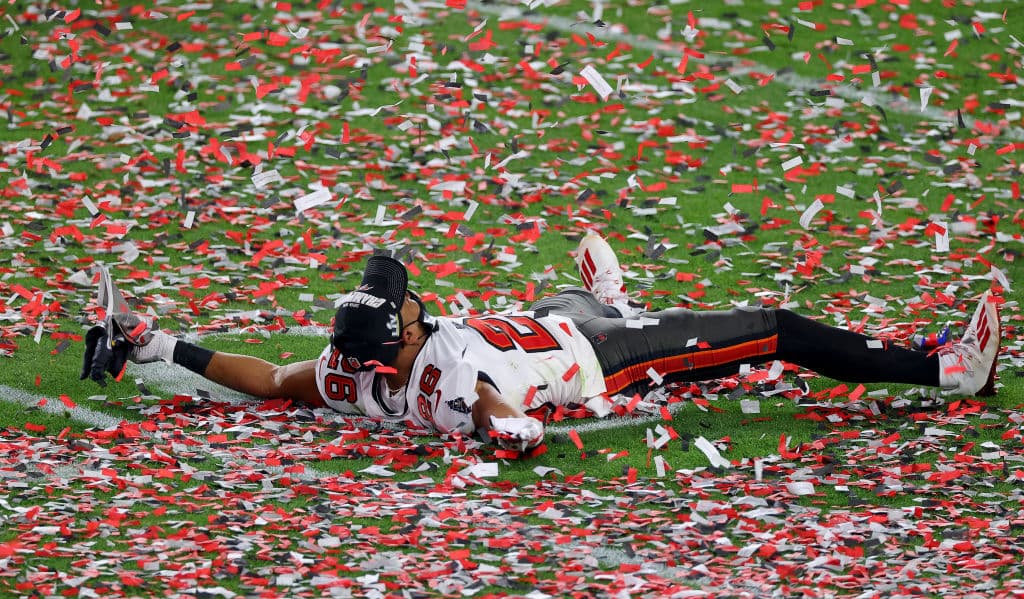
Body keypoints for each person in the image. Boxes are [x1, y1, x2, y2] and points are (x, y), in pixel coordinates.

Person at [81, 233, 1002, 453]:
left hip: (554, 327)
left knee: (565, 296)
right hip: (606, 357)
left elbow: (275, 379)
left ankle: (608, 297)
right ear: (399, 330)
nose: (415, 314)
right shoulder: (443, 365)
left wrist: (167, 345)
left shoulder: (354, 372)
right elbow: (489, 403)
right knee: (772, 328)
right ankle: (947, 372)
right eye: (408, 313)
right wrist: (513, 433)